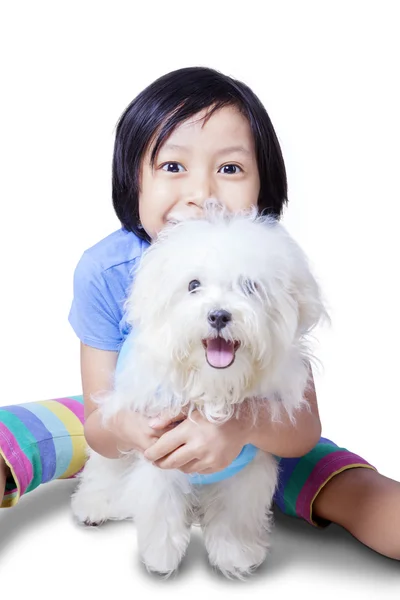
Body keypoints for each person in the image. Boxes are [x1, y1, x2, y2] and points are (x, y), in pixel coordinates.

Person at [0, 66, 399, 561]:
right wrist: (131, 429)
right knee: (33, 429)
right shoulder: (106, 270)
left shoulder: (274, 262)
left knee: (366, 498)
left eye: (229, 169)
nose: (203, 194)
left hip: (262, 432)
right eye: (172, 167)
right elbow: (102, 425)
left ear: (264, 185)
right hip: (136, 419)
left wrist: (237, 430)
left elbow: (300, 428)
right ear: (133, 180)